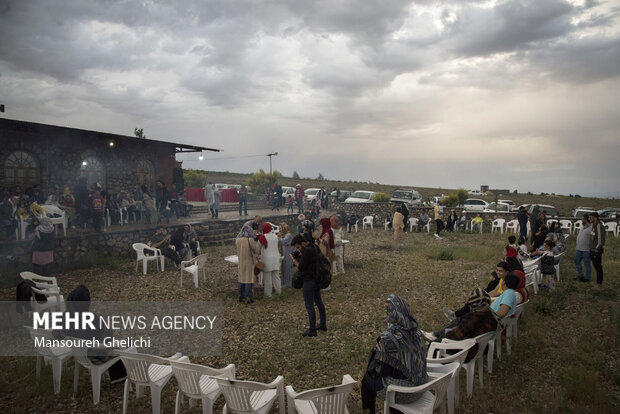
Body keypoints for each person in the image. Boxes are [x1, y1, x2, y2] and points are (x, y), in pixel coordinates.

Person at [361, 294, 428, 413]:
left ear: (390, 313)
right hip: (423, 386)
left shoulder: (388, 338)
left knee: (367, 379)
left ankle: (371, 411)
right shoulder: (416, 332)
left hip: (407, 393)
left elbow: (383, 371)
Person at [291, 234, 326, 337]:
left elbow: (301, 267)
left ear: (301, 243)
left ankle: (312, 329)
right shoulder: (313, 246)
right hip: (316, 278)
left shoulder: (307, 251)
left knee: (309, 305)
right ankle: (323, 324)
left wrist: (294, 260)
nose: (297, 248)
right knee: (319, 302)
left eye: (297, 247)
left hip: (309, 280)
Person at [236, 225, 258, 303]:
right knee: (249, 280)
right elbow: (256, 250)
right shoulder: (250, 240)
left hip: (241, 262)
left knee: (241, 280)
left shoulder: (238, 240)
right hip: (249, 262)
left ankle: (241, 296)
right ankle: (247, 297)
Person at [258, 222, 281, 298]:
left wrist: (258, 255)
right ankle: (278, 291)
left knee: (267, 277)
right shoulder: (275, 236)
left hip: (267, 258)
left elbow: (258, 248)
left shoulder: (262, 237)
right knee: (276, 276)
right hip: (276, 257)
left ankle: (268, 293)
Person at [574, 214, 592, 282]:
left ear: (586, 219)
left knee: (587, 263)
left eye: (583, 218)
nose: (582, 219)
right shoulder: (582, 226)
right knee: (576, 260)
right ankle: (580, 275)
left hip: (586, 249)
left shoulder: (591, 227)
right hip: (579, 248)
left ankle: (587, 278)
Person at [589, 212, 605, 285]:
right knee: (595, 266)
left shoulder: (599, 226)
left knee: (598, 266)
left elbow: (600, 240)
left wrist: (596, 249)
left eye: (591, 217)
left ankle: (599, 282)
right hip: (592, 249)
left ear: (595, 218)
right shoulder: (593, 226)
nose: (589, 219)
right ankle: (598, 280)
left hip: (596, 250)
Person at [278, 223, 294, 288]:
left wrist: (276, 237)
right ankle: (283, 283)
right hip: (284, 254)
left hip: (288, 254)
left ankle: (288, 283)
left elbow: (283, 242)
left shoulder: (288, 235)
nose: (279, 230)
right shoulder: (284, 235)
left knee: (287, 269)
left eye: (280, 229)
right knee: (283, 269)